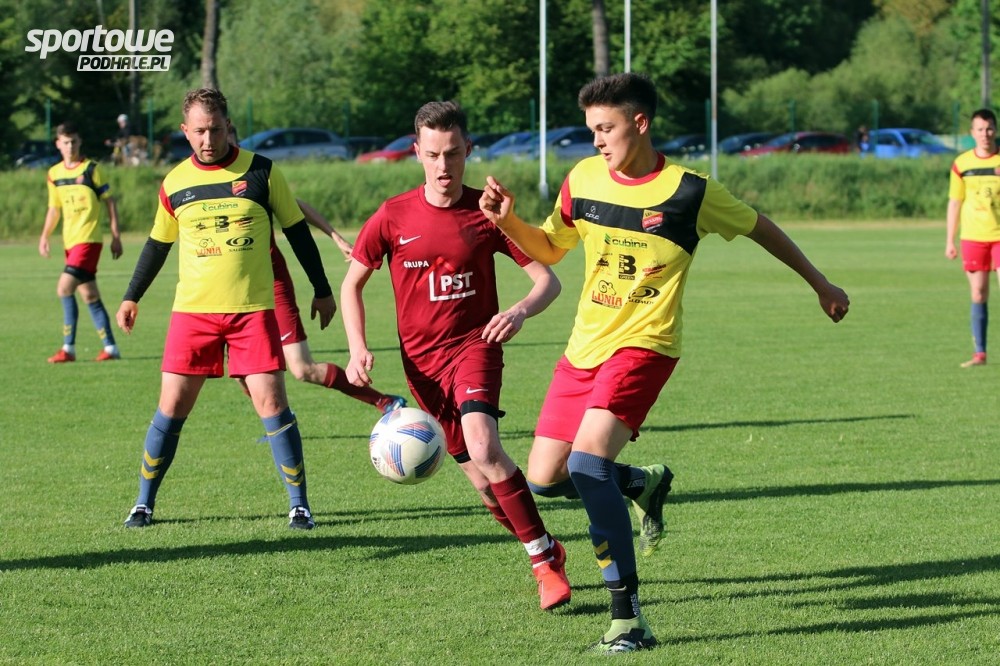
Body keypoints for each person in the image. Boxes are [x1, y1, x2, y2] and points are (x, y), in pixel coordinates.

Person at [480, 72, 850, 652]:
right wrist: (507, 221)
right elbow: (551, 247)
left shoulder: (689, 191)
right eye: (591, 130)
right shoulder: (582, 179)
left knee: (588, 465)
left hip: (645, 346)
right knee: (547, 478)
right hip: (584, 347)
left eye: (606, 128)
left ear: (640, 122)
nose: (596, 140)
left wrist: (820, 284)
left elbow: (761, 229)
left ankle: (628, 619)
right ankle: (642, 482)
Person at [340, 100, 571, 611]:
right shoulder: (392, 216)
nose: (443, 166)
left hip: (475, 347)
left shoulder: (487, 214)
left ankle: (543, 564)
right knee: (484, 484)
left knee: (485, 448)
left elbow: (547, 281)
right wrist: (357, 348)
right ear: (416, 152)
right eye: (433, 155)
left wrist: (519, 311)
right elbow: (351, 285)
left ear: (468, 149)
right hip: (421, 368)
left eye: (453, 153)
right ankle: (547, 546)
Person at [117, 88, 334, 530]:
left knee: (272, 402)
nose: (208, 139)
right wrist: (131, 295)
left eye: (215, 129)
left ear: (228, 126)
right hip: (193, 313)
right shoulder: (174, 182)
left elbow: (297, 232)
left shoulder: (262, 171)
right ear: (185, 131)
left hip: (252, 311)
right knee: (171, 405)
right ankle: (142, 503)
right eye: (199, 131)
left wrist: (322, 289)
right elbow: (157, 244)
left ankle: (300, 505)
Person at [225, 126, 408, 415]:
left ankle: (384, 401)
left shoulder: (254, 174)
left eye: (226, 138)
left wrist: (335, 237)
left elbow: (297, 207)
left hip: (272, 284)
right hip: (229, 292)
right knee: (239, 371)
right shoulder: (200, 182)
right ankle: (279, 423)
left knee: (302, 368)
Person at [39, 121, 123, 363]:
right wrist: (45, 236)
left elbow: (110, 202)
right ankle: (111, 348)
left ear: (80, 142)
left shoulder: (91, 169)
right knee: (90, 296)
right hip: (70, 242)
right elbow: (54, 209)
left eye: (74, 141)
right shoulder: (54, 174)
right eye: (66, 142)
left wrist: (116, 236)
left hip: (89, 241)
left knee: (64, 288)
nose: (70, 146)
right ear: (58, 144)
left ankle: (68, 348)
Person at [945, 108, 1000, 368]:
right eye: (980, 129)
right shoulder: (962, 164)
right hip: (973, 237)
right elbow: (955, 202)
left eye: (989, 128)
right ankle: (980, 353)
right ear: (972, 133)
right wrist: (950, 240)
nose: (985, 134)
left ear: (995, 130)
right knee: (978, 293)